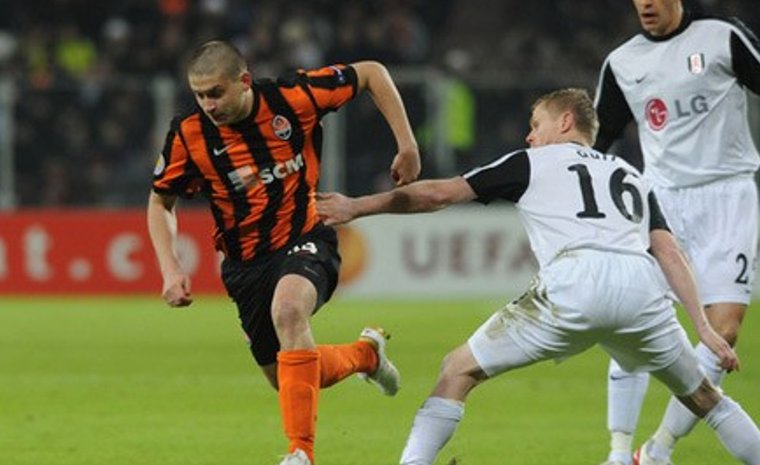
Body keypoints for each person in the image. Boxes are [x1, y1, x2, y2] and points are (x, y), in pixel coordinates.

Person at [316, 88, 760, 465]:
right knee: (707, 400)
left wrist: (358, 206)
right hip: (641, 289)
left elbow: (437, 194)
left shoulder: (533, 162)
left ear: (565, 121)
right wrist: (703, 327)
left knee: (456, 369)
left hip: (575, 280)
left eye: (536, 124)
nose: (529, 136)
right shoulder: (630, 174)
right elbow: (668, 251)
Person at [147, 40, 421, 465]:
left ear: (244, 81)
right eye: (199, 95)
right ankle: (365, 355)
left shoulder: (293, 98)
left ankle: (300, 454)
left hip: (306, 236)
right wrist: (170, 268)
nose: (208, 105)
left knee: (289, 310)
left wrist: (407, 145)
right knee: (289, 376)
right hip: (244, 265)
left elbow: (372, 71)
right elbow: (160, 202)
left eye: (216, 93)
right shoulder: (189, 134)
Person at [592, 1, 760, 464]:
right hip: (661, 201)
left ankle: (658, 449)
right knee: (632, 319)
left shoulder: (722, 37)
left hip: (728, 196)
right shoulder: (622, 62)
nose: (645, 3)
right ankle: (618, 453)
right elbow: (596, 141)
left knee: (725, 330)